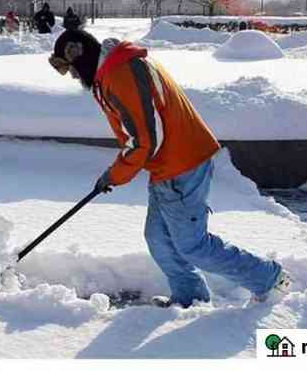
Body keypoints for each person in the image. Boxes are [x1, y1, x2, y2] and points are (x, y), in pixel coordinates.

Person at [48, 30, 291, 308]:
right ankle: (190, 297)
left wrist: (115, 175)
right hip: (168, 166)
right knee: (159, 239)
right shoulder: (117, 69)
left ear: (78, 54)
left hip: (182, 165)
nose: (74, 76)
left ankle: (270, 280)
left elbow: (145, 140)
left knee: (193, 245)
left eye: (71, 69)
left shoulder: (121, 73)